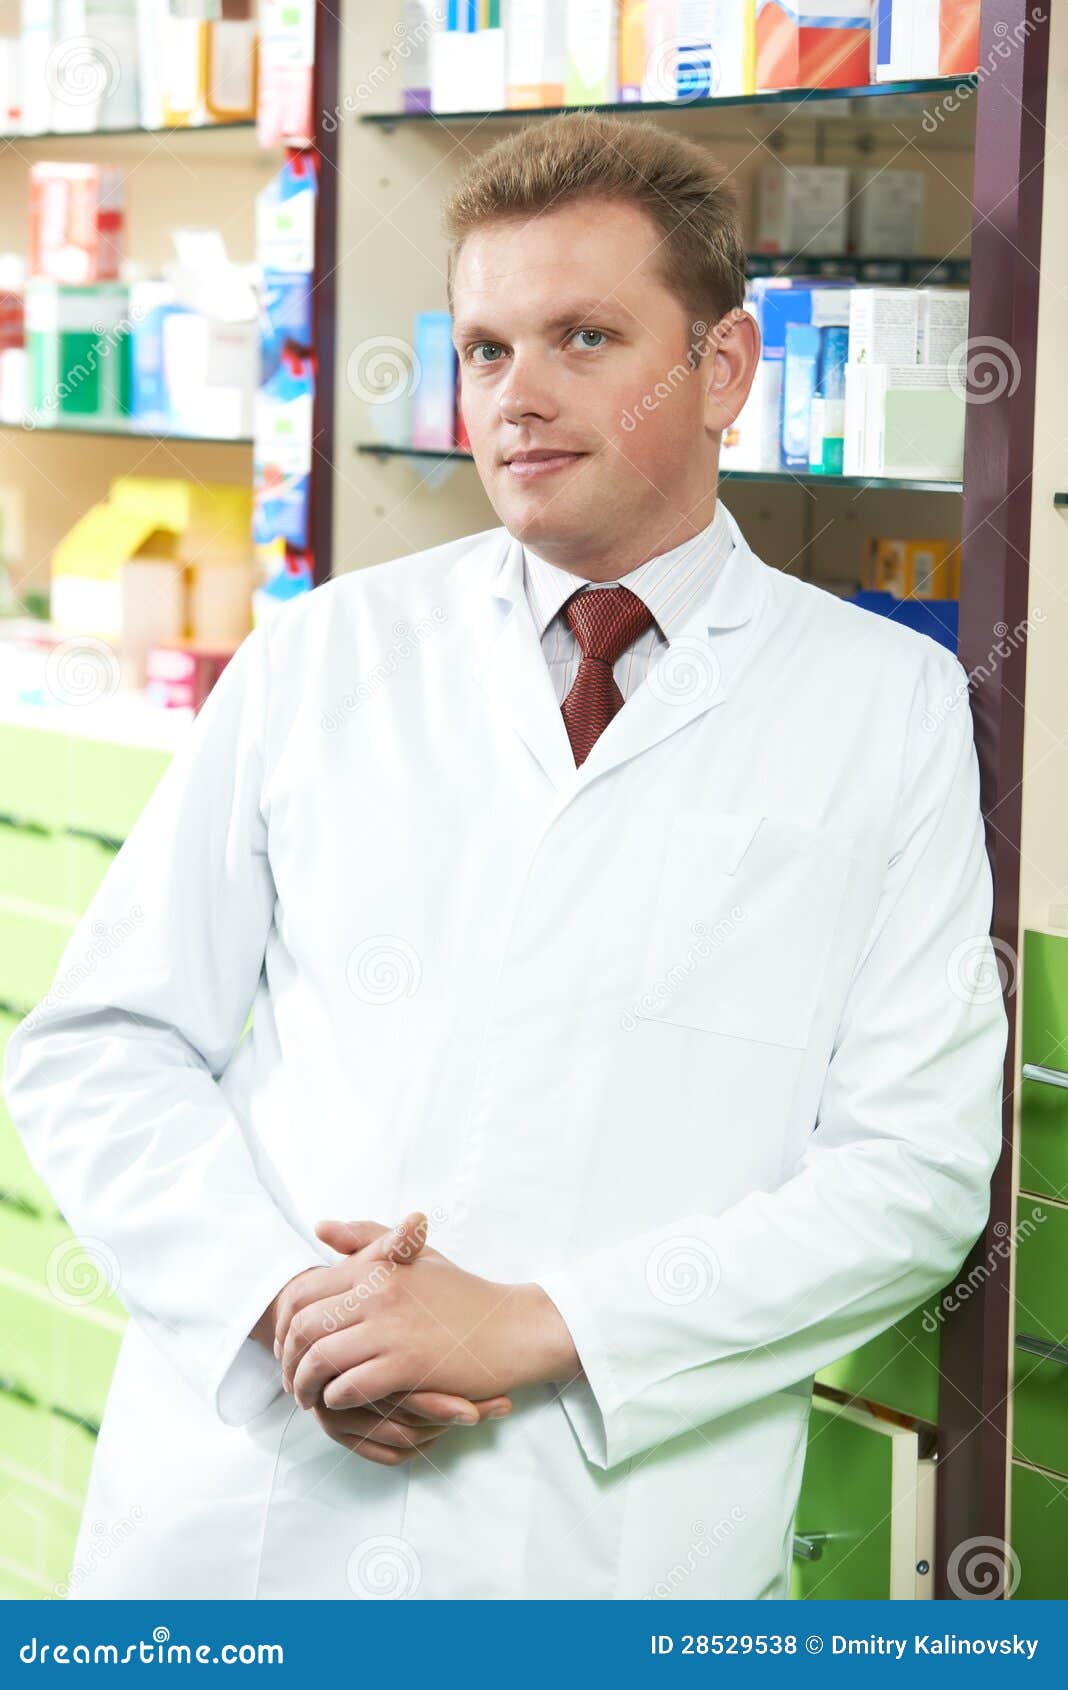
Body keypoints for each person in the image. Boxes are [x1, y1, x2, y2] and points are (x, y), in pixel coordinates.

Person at [2, 111, 1007, 1601]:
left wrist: (540, 1324)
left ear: (723, 368)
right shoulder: (326, 652)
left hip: (608, 1548)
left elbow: (913, 1176)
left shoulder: (886, 706)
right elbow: (99, 1049)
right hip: (256, 1528)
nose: (517, 398)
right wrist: (285, 1301)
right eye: (483, 349)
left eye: (585, 337)